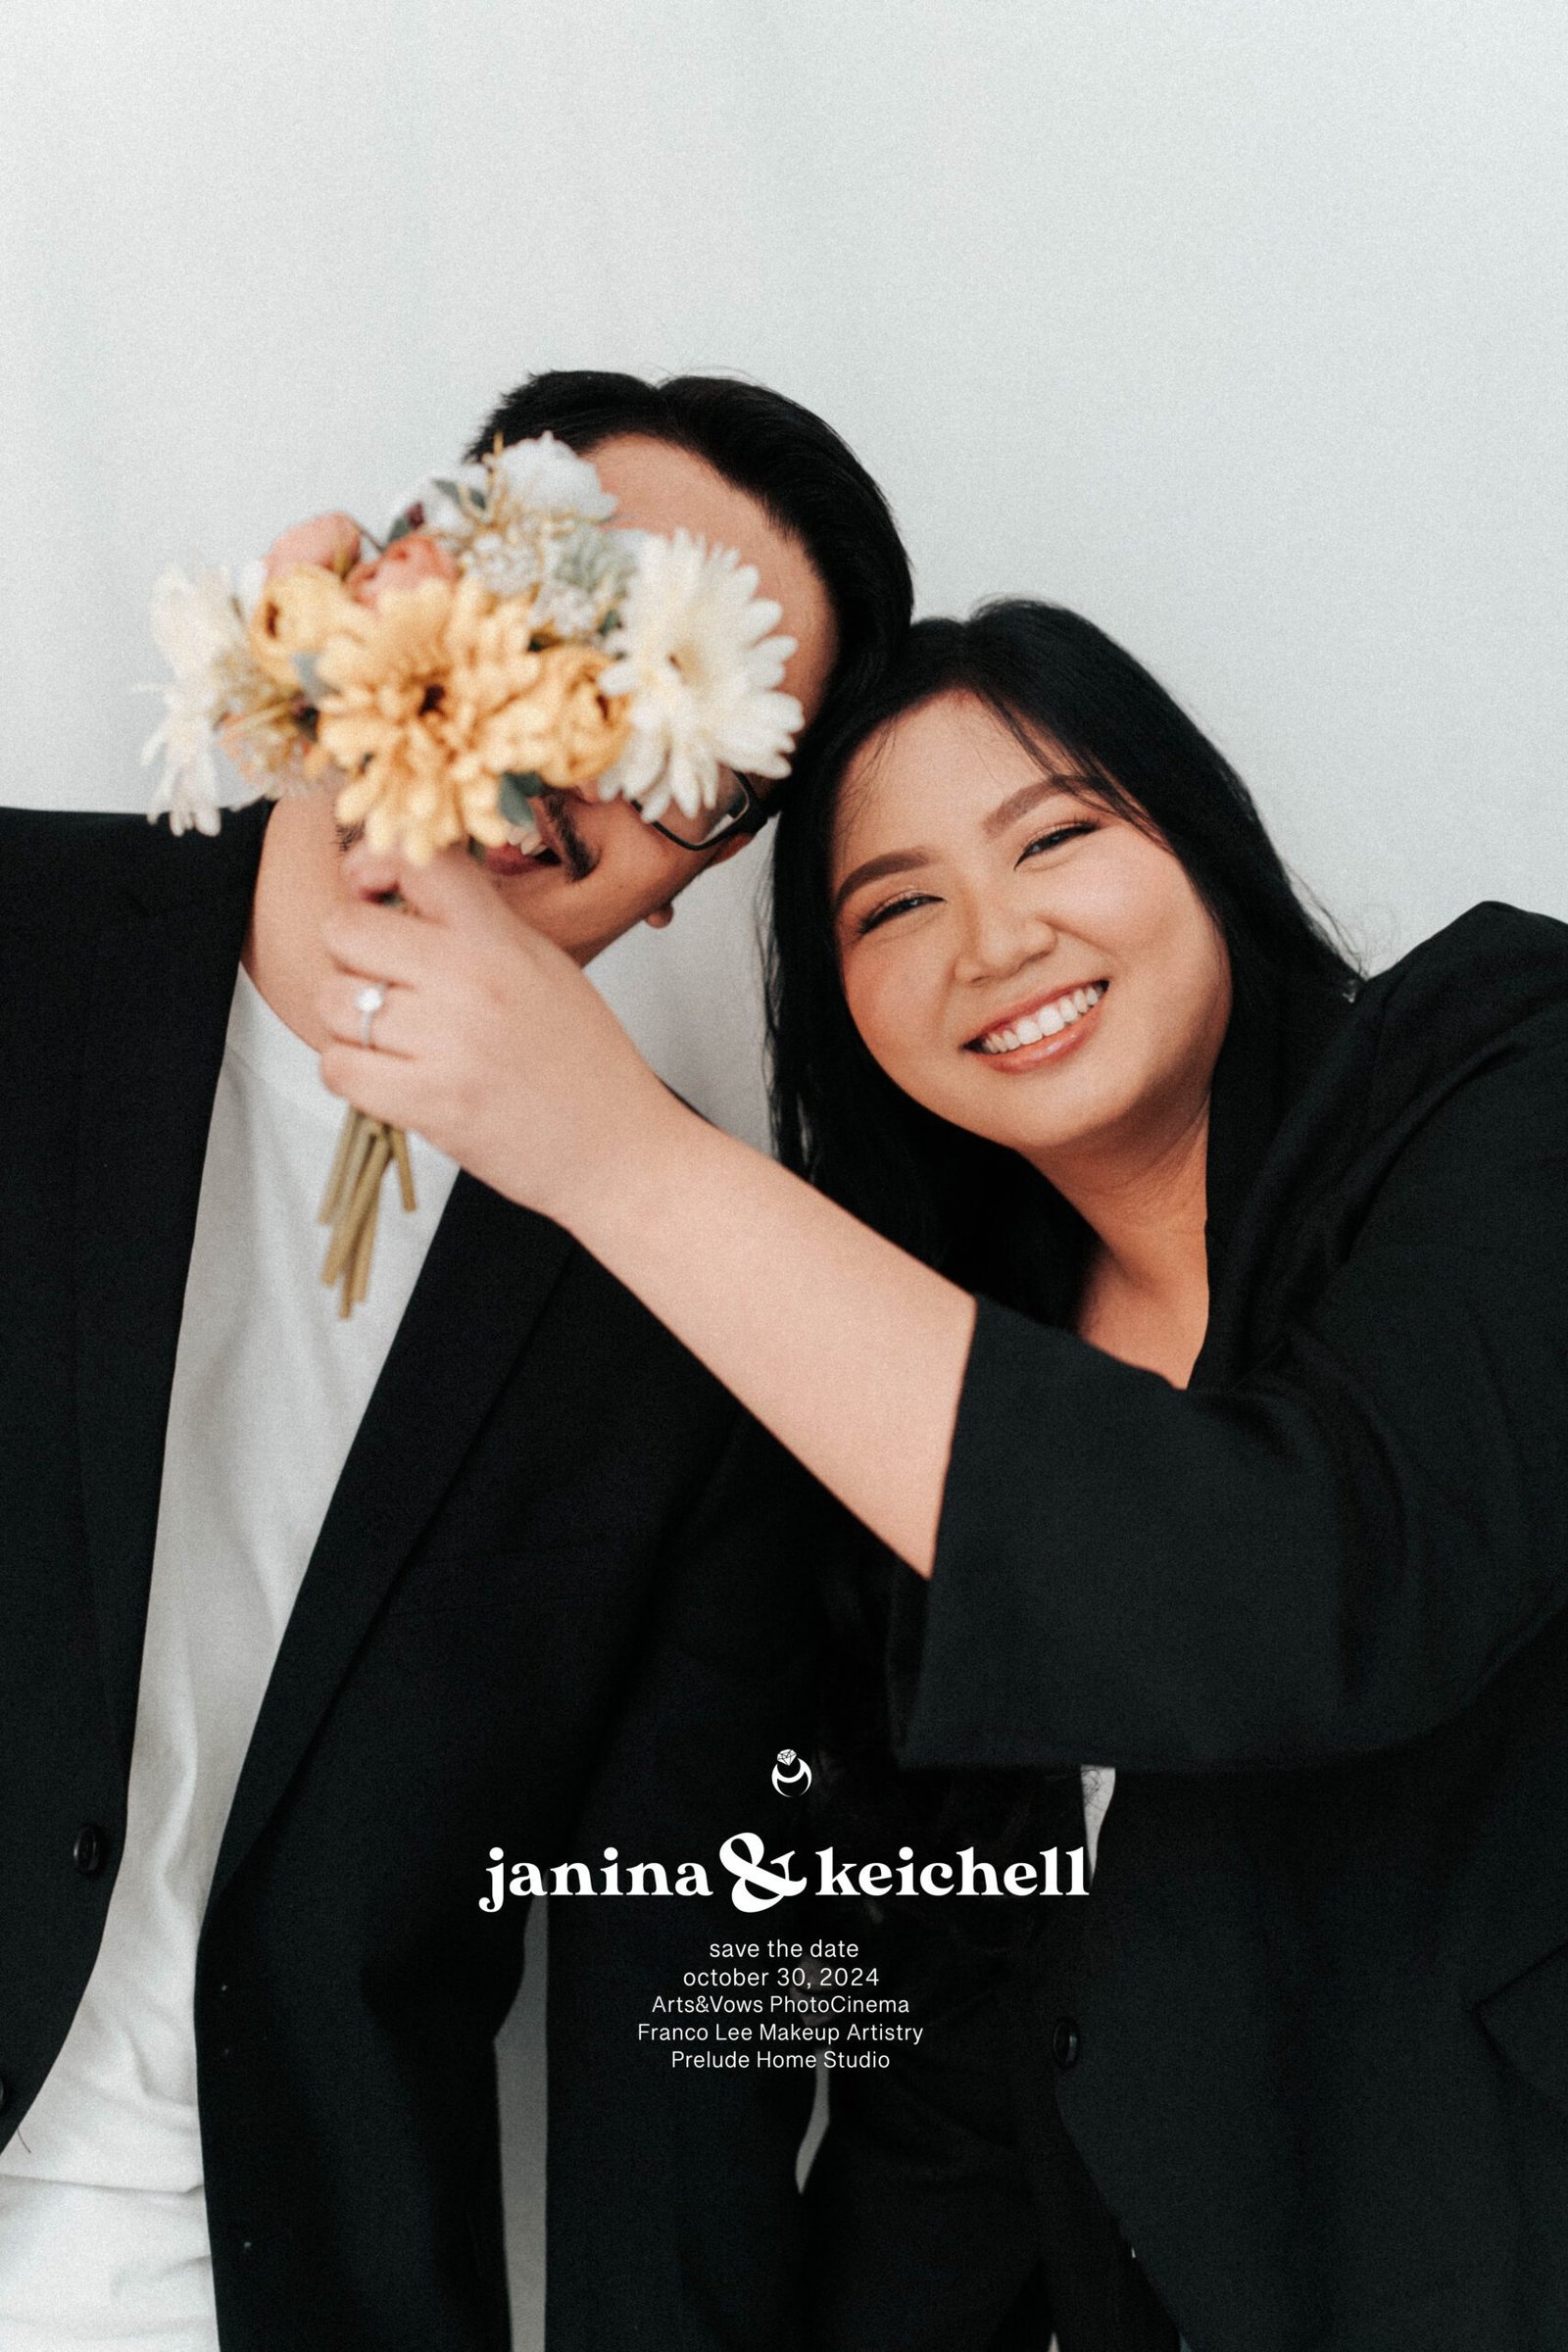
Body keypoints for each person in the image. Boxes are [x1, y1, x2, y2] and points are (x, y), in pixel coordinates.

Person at [318, 598, 1568, 2351]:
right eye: (894, 906)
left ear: (1199, 838)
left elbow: (1305, 1589)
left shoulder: (1510, 1066)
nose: (995, 941)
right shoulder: (916, 1401)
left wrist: (616, 1153)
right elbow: (979, 2075)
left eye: (1055, 836)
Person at [0, 368, 912, 2351]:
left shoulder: (699, 1312)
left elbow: (686, 2035)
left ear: (704, 865)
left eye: (692, 742)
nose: (591, 747)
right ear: (414, 576)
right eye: (584, 617)